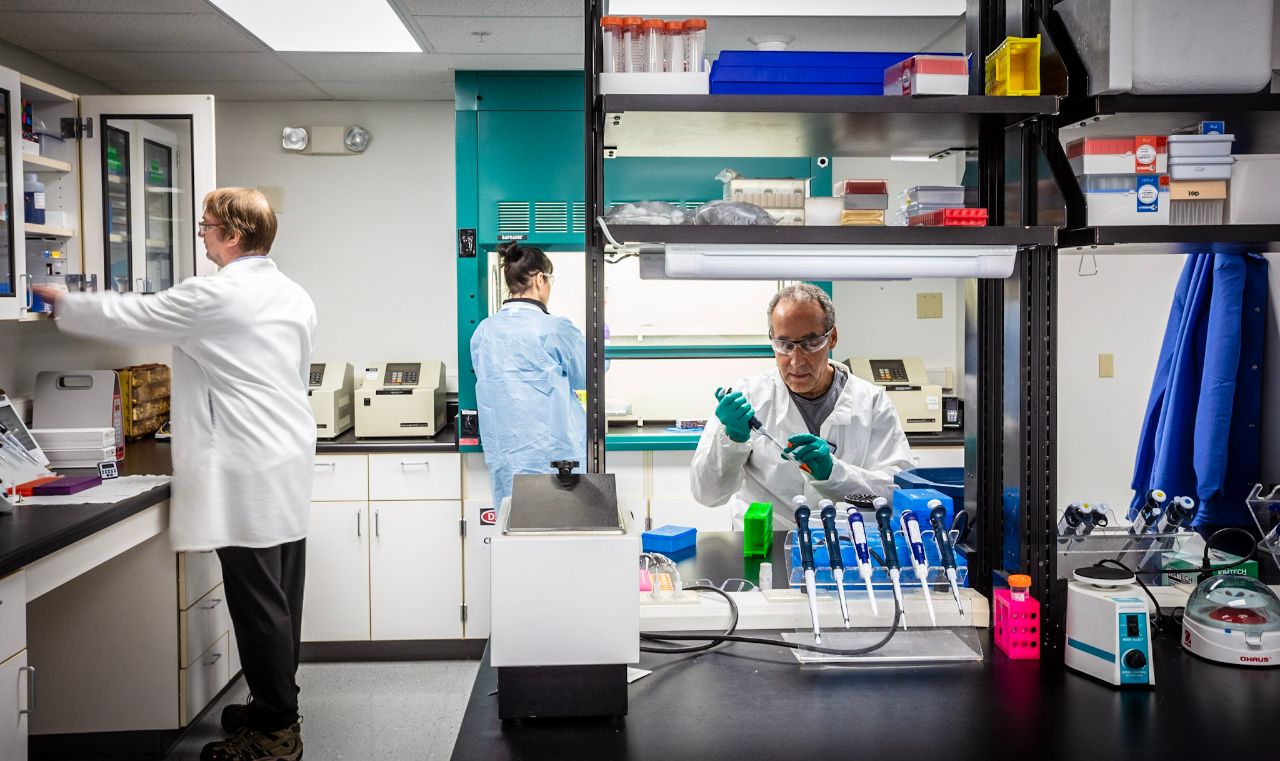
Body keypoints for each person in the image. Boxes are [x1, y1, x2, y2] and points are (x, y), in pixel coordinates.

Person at [34, 188, 314, 761]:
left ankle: (277, 732)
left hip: (245, 464)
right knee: (281, 596)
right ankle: (271, 706)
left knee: (258, 603)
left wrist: (61, 298)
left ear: (234, 235)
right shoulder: (291, 293)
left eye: (207, 227)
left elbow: (132, 312)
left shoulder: (214, 296)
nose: (203, 236)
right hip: (284, 456)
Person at [691, 283, 913, 529]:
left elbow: (900, 492)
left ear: (833, 338)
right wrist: (731, 441)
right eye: (784, 345)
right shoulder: (748, 397)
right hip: (767, 544)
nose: (796, 361)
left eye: (810, 343)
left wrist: (834, 473)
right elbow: (708, 495)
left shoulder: (871, 403)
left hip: (847, 544)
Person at [470, 241, 587, 505]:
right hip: (556, 459)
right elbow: (588, 376)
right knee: (558, 531)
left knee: (514, 531)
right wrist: (604, 345)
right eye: (550, 280)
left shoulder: (484, 333)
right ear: (539, 279)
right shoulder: (555, 328)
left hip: (507, 461)